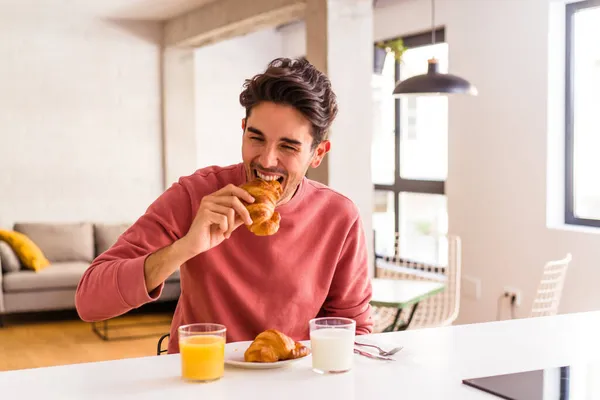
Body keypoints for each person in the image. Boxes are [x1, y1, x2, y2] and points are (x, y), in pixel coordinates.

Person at [75, 57, 373, 354]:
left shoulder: (339, 217)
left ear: (318, 153)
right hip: (200, 377)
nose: (267, 160)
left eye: (288, 146)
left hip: (289, 380)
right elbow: (89, 301)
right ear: (243, 129)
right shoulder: (195, 194)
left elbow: (353, 331)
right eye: (255, 138)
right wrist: (185, 248)